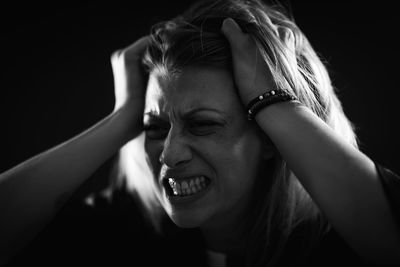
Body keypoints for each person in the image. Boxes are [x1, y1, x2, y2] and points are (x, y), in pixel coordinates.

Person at [1, 0, 399, 266]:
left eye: (203, 124)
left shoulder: (335, 243)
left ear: (273, 138)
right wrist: (122, 120)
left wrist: (274, 100)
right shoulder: (122, 233)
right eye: (155, 128)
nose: (169, 154)